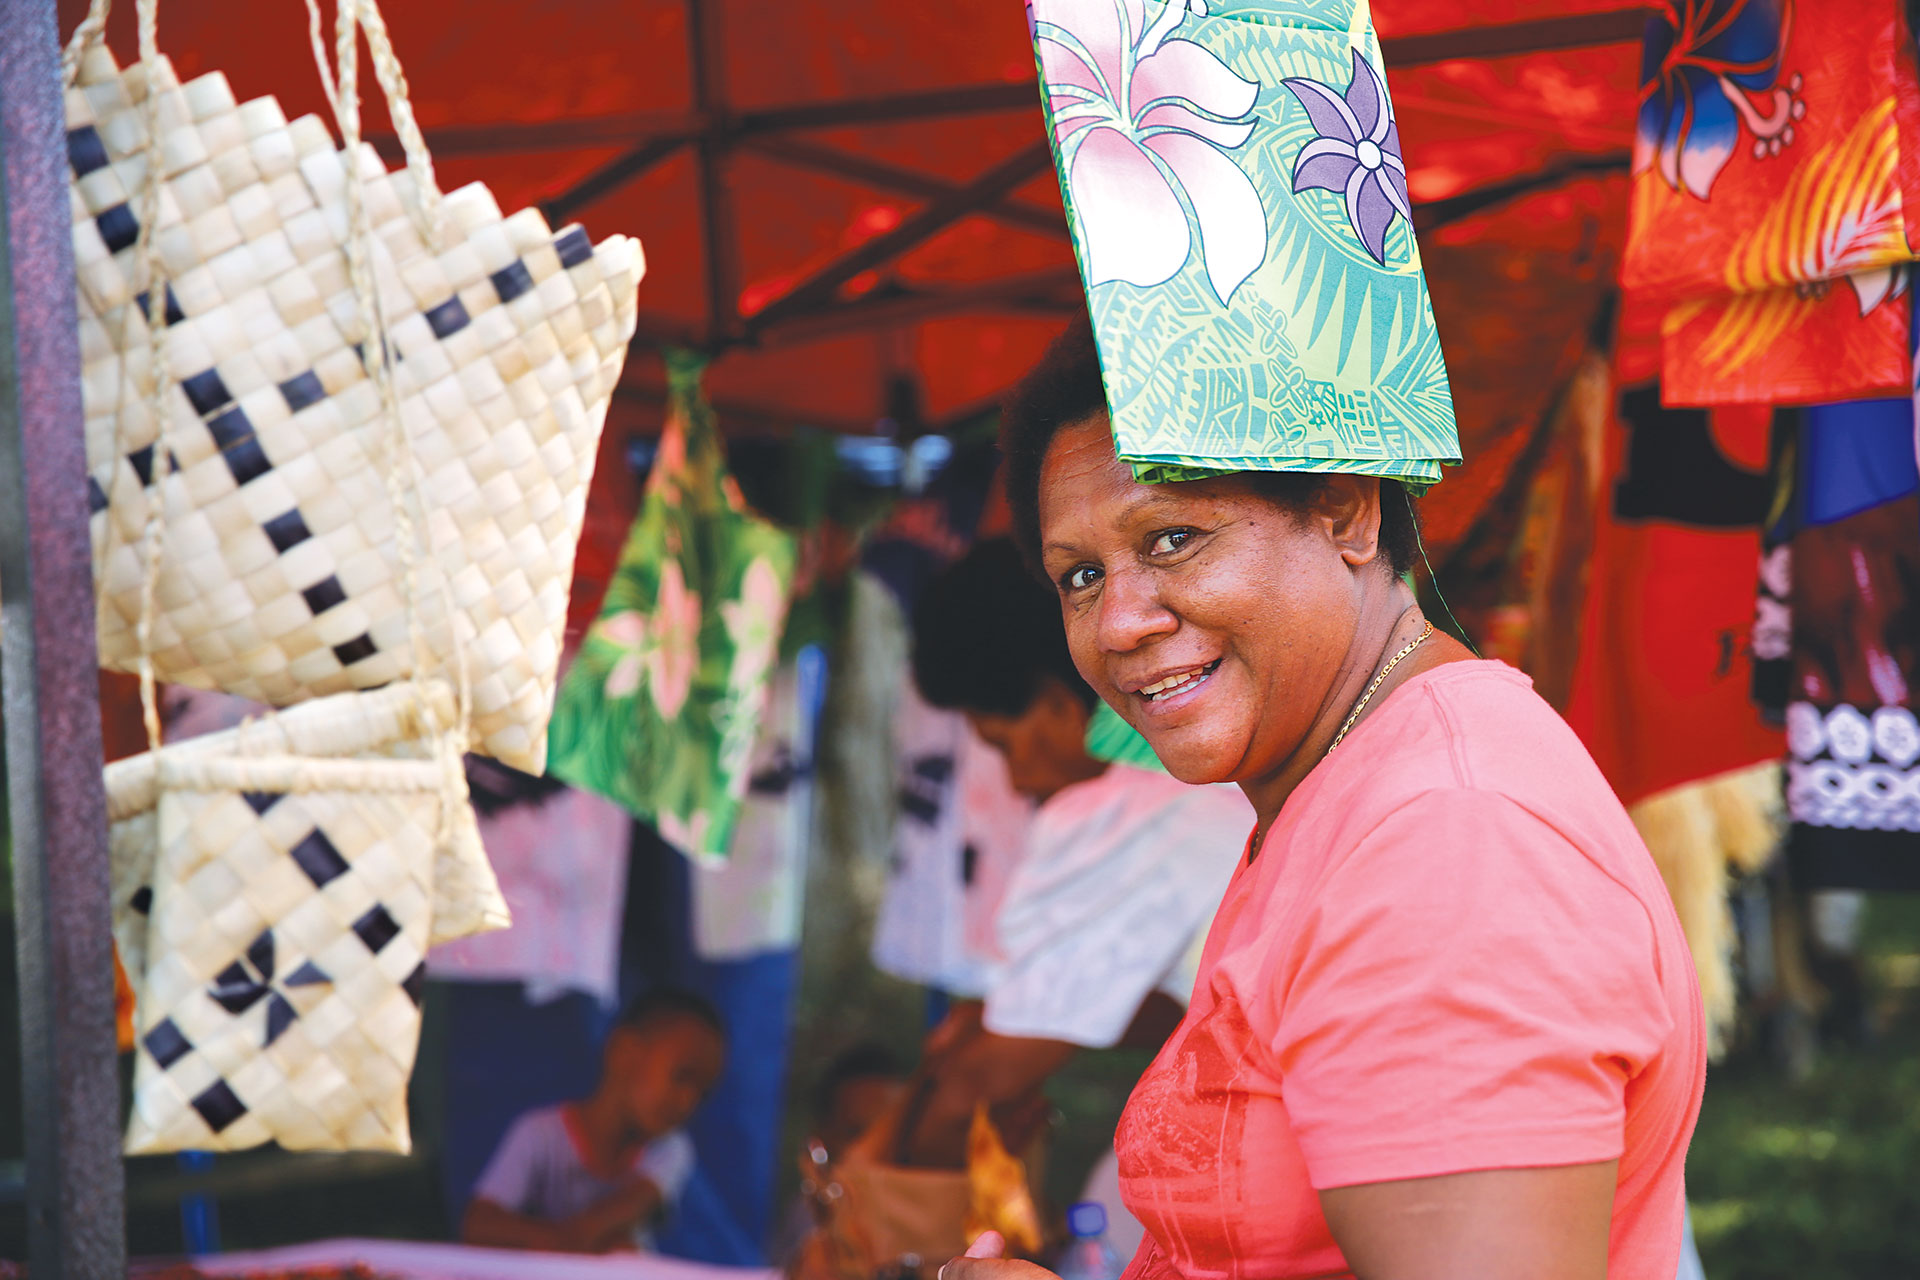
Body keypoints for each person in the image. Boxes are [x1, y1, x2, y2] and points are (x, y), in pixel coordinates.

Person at [942, 322, 1704, 1280]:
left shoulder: (1450, 844)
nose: (1119, 622)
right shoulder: (1344, 790)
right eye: (1081, 576)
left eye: (1174, 537)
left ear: (1346, 512)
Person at [898, 539, 1252, 1178]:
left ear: (1060, 705)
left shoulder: (1118, 809)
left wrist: (871, 1196)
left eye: (1003, 745)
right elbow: (1195, 999)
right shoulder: (1212, 775)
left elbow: (972, 1092)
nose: (1015, 782)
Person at [461, 987, 726, 1254]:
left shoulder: (672, 1150)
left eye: (702, 1093)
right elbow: (478, 1226)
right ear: (624, 1052)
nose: (687, 1102)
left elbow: (595, 1228)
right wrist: (565, 1242)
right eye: (682, 1077)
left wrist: (541, 1239)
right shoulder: (538, 1133)